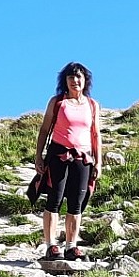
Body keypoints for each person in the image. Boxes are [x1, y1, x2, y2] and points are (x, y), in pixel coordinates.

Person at [34, 62, 102, 261]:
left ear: (85, 80)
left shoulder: (92, 105)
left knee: (77, 202)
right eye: (71, 77)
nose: (75, 81)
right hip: (58, 155)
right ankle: (51, 245)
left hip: (83, 157)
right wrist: (39, 156)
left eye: (79, 77)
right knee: (54, 200)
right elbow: (45, 130)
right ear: (65, 81)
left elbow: (96, 134)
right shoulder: (57, 102)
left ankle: (72, 246)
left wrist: (98, 162)